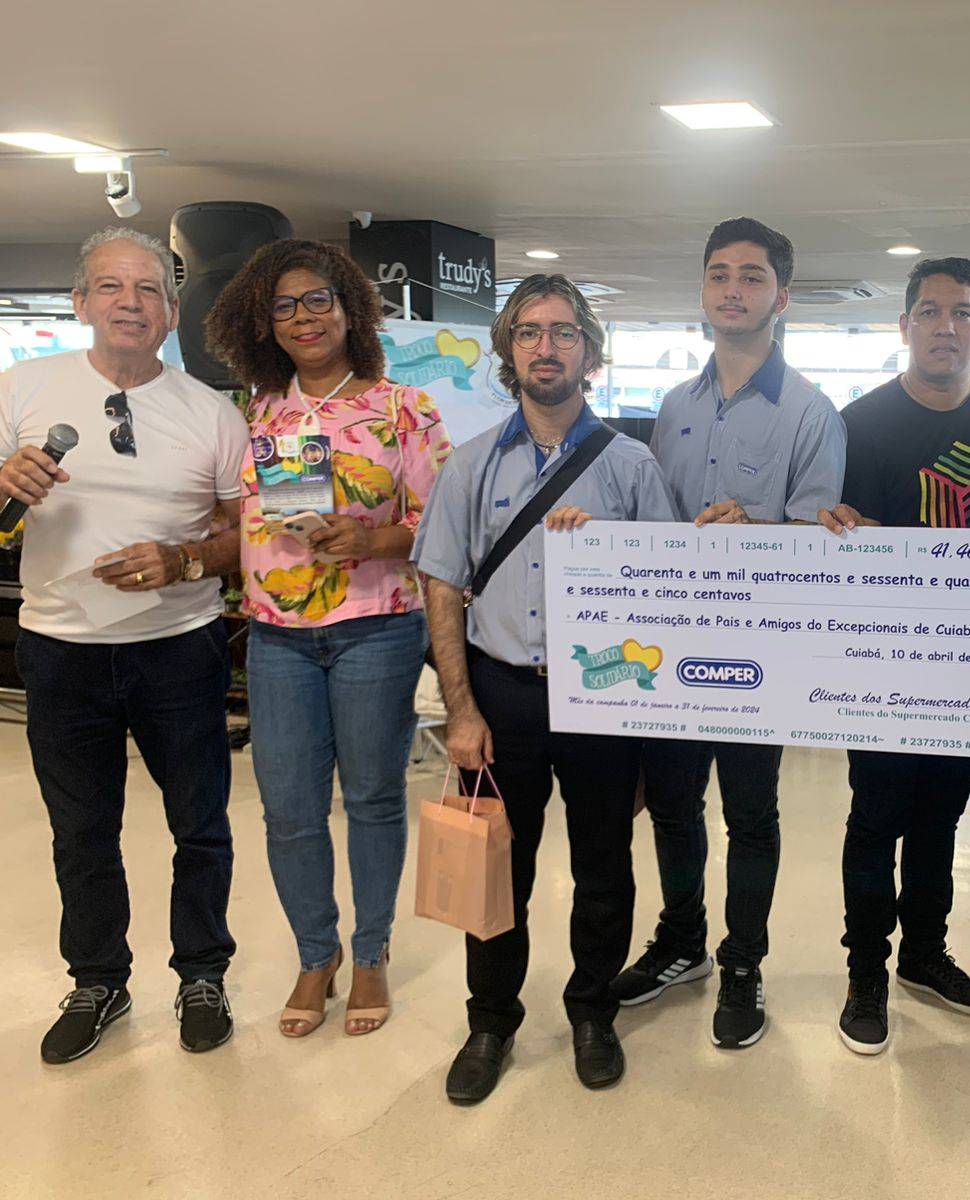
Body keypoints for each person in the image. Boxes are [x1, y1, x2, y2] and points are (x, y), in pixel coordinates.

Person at [413, 273, 676, 1102]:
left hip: (603, 695)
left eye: (564, 332)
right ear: (508, 350)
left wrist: (606, 552)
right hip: (502, 696)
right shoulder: (469, 465)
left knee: (603, 866)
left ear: (589, 352)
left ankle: (593, 1010)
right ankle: (490, 1021)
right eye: (529, 332)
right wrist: (460, 710)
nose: (546, 347)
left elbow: (670, 594)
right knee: (495, 869)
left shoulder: (631, 466)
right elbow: (441, 588)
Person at [0, 228, 249, 1062]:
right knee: (81, 830)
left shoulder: (212, 413)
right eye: (111, 286)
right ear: (81, 302)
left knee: (200, 825)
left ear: (172, 313)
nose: (131, 303)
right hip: (60, 650)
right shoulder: (21, 388)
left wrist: (185, 560)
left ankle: (202, 972)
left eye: (149, 290)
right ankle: (98, 980)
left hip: (178, 647)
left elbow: (247, 532)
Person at [205, 239, 451, 1039]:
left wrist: (373, 540)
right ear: (262, 322)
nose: (303, 317)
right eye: (283, 306)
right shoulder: (255, 412)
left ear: (350, 309)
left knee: (373, 799)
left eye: (318, 300)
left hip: (375, 628)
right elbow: (231, 514)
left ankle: (371, 950)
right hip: (277, 638)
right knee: (288, 812)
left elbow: (444, 526)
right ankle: (319, 954)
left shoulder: (402, 407)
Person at [611, 217, 845, 1051]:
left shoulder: (812, 412)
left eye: (752, 276)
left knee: (750, 813)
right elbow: (651, 524)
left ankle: (743, 961)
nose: (733, 289)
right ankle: (682, 942)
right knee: (674, 805)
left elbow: (821, 546)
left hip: (758, 649)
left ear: (782, 297)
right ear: (703, 290)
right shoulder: (674, 405)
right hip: (672, 646)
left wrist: (756, 530)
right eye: (719, 274)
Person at [817, 257, 970, 1055]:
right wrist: (831, 525)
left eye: (962, 313)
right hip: (882, 659)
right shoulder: (858, 423)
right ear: (904, 326)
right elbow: (830, 532)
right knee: (876, 818)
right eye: (929, 312)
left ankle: (925, 954)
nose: (945, 327)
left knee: (941, 818)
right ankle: (866, 970)